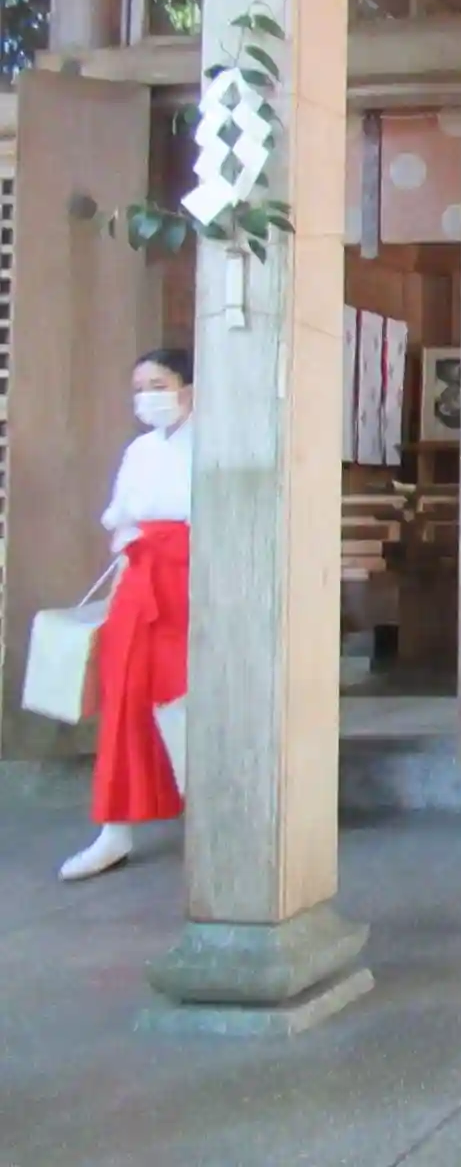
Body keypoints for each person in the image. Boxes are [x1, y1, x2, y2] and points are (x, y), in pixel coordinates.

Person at [59, 348, 194, 882]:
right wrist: (119, 589)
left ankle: (211, 814)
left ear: (189, 389)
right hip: (139, 582)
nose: (147, 397)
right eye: (139, 388)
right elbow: (123, 523)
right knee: (125, 702)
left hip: (192, 578)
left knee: (188, 700)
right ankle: (114, 829)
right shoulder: (139, 450)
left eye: (159, 385)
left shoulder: (215, 444)